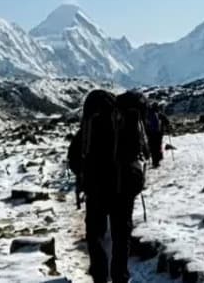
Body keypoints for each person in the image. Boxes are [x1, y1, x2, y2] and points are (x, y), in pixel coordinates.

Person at [68, 89, 150, 283]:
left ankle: (100, 276)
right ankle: (120, 277)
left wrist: (83, 175)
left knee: (95, 235)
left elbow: (73, 158)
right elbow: (142, 152)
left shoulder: (90, 124)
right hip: (124, 188)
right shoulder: (128, 122)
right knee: (121, 236)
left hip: (96, 189)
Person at [146, 103, 172, 168]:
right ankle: (158, 159)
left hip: (150, 134)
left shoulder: (148, 114)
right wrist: (167, 128)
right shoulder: (160, 114)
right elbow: (167, 121)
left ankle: (155, 161)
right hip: (159, 133)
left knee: (153, 147)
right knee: (157, 146)